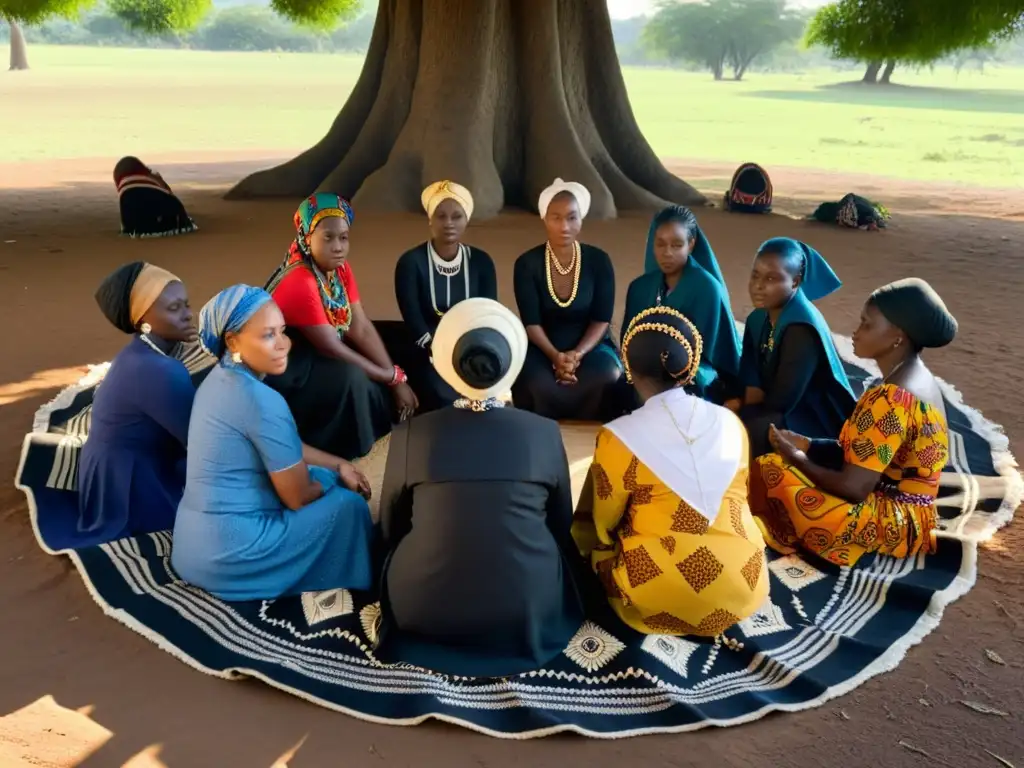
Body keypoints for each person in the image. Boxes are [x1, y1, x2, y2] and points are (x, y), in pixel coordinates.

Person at [375, 298, 588, 676]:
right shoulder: (543, 432)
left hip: (423, 606)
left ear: (446, 363)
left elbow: (391, 524)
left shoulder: (414, 434)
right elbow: (559, 524)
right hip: (526, 606)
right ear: (511, 364)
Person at [572, 306, 768, 637]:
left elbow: (605, 521)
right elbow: (741, 495)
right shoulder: (731, 422)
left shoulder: (619, 437)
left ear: (629, 371)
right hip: (745, 586)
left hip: (653, 593)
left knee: (590, 541)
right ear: (689, 369)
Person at [172, 285, 376, 602]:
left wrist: (338, 466)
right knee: (348, 506)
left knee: (323, 476)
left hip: (190, 548)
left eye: (282, 331)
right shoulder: (263, 401)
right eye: (268, 335)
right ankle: (354, 578)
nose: (284, 344)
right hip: (232, 557)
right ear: (232, 340)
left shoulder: (215, 381)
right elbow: (298, 497)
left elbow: (287, 448)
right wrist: (337, 481)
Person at [751, 278, 957, 568]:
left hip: (891, 522)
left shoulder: (892, 398)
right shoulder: (913, 377)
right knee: (780, 466)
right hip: (914, 511)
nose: (856, 333)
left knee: (772, 469)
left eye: (867, 325)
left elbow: (853, 488)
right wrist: (810, 445)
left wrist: (796, 457)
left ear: (898, 335)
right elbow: (874, 454)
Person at [264, 193, 417, 461]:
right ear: (306, 237)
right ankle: (333, 448)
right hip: (287, 366)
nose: (338, 247)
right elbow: (332, 347)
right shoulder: (300, 280)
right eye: (328, 237)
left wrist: (395, 377)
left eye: (343, 238)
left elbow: (360, 327)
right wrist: (390, 377)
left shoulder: (339, 270)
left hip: (316, 349)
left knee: (393, 340)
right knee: (352, 377)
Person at [78, 262, 197, 545]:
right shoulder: (159, 369)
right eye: (173, 308)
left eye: (186, 304)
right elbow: (201, 439)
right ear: (143, 319)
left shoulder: (141, 351)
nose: (188, 315)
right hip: (129, 483)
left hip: (107, 472)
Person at [381, 180, 498, 413]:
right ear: (430, 220)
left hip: (471, 348)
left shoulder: (481, 262)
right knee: (443, 396)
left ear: (467, 220)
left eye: (457, 216)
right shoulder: (411, 262)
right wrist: (442, 351)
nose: (449, 223)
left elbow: (487, 314)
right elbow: (414, 319)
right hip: (427, 351)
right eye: (441, 216)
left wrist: (469, 350)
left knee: (489, 388)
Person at [511, 178, 623, 421]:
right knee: (532, 380)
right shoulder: (527, 264)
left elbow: (602, 318)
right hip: (542, 350)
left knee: (609, 374)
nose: (564, 226)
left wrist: (577, 355)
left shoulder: (598, 261)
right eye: (556, 217)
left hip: (590, 349)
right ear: (544, 219)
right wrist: (555, 357)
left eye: (572, 217)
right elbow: (531, 323)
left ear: (581, 220)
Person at [739, 237, 856, 458]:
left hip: (810, 415)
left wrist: (746, 417)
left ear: (795, 281)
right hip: (772, 407)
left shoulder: (801, 327)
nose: (758, 286)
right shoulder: (757, 318)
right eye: (755, 275)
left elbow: (782, 400)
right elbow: (751, 380)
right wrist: (740, 408)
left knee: (750, 430)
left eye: (772, 278)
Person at [621, 205, 741, 406]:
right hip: (646, 373)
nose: (667, 253)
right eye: (660, 244)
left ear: (691, 245)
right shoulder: (639, 287)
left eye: (677, 245)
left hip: (691, 374)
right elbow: (629, 340)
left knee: (677, 398)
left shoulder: (707, 288)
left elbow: (710, 354)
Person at [113, 156, 198, 238]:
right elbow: (169, 193)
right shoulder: (153, 178)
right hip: (175, 222)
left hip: (138, 230)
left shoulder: (124, 190)